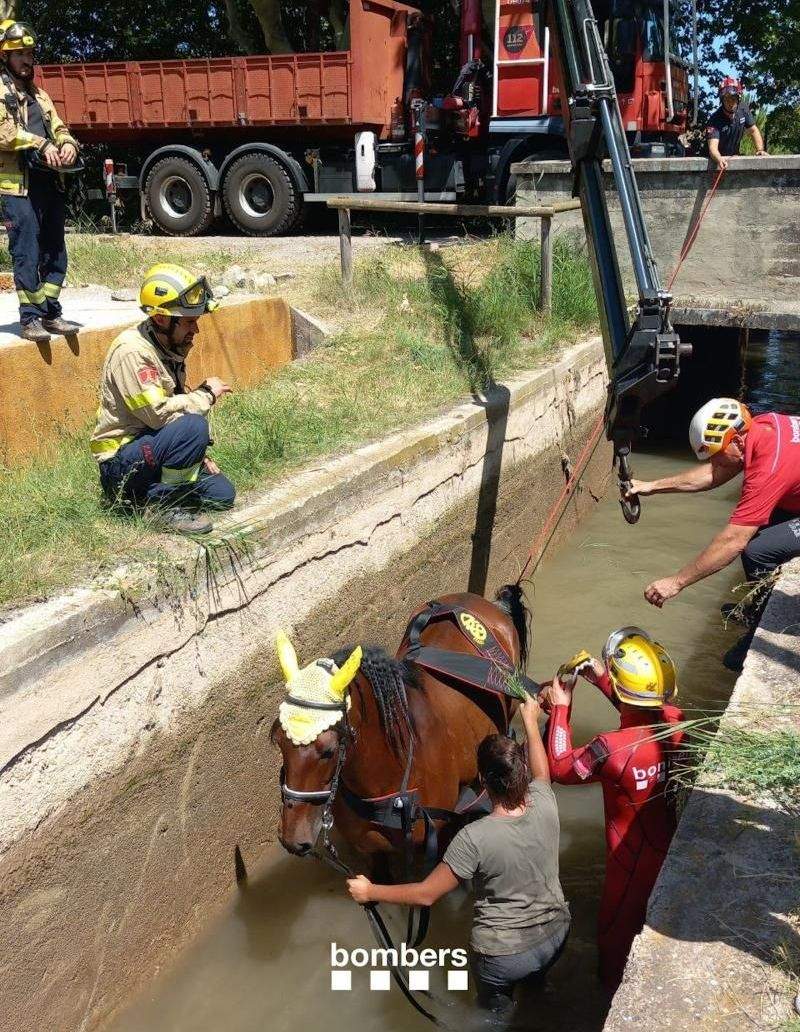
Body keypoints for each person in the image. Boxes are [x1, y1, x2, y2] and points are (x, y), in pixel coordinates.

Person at [347, 693, 570, 1017]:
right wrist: (531, 723)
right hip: (556, 935)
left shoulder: (473, 838)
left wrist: (370, 891)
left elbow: (426, 894)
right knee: (536, 998)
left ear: (482, 780)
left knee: (495, 1017)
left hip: (503, 957)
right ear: (521, 771)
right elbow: (542, 773)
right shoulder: (545, 801)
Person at [544, 631, 685, 993]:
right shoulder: (679, 723)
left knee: (613, 939)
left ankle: (609, 997)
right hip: (669, 849)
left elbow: (560, 767)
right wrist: (601, 677)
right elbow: (642, 712)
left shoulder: (608, 749)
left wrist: (561, 707)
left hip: (629, 864)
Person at [632, 397, 800, 669]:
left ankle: (762, 626)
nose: (715, 461)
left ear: (737, 441)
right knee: (760, 523)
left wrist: (676, 582)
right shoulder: (759, 428)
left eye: (716, 453)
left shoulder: (769, 467)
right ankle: (756, 606)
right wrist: (652, 486)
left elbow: (732, 541)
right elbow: (715, 472)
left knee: (757, 550)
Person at [91, 263, 236, 534]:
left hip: (153, 452)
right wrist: (205, 395)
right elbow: (158, 415)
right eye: (189, 322)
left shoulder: (168, 346)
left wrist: (197, 453)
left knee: (222, 495)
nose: (196, 329)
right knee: (194, 426)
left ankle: (146, 498)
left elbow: (172, 414)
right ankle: (164, 508)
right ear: (160, 319)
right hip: (121, 463)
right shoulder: (133, 352)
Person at [0, 20, 81, 343]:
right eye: (19, 54)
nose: (27, 60)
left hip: (49, 183)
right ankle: (30, 318)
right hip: (18, 187)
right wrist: (41, 144)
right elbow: (5, 133)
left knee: (55, 250)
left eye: (30, 53)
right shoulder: (1, 92)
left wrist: (67, 144)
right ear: (5, 56)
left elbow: (58, 126)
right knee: (27, 250)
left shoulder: (39, 94)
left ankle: (51, 312)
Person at [707, 76, 767, 171]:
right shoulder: (714, 120)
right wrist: (719, 159)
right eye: (727, 99)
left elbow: (753, 130)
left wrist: (760, 150)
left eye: (733, 98)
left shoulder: (743, 109)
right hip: (713, 163)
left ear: (738, 98)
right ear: (722, 100)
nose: (730, 102)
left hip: (734, 158)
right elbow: (713, 148)